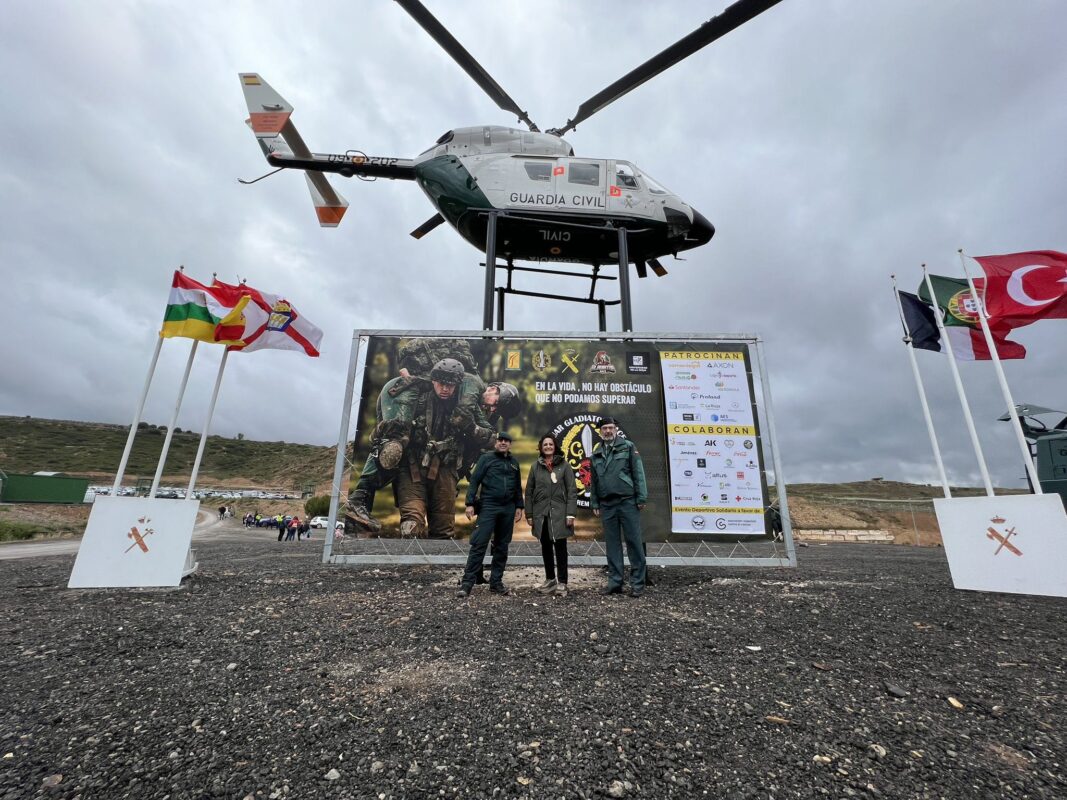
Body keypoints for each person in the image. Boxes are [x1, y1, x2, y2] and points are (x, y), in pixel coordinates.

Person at [458, 431, 524, 597]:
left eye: (506, 441)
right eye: (500, 440)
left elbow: (517, 487)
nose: (503, 443)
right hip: (488, 506)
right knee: (479, 544)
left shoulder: (514, 463)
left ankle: (496, 583)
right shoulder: (486, 459)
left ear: (510, 444)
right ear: (496, 442)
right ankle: (467, 584)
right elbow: (474, 481)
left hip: (508, 508)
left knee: (501, 546)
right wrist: (470, 503)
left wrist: (519, 506)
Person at [589, 417, 648, 598]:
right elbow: (595, 481)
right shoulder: (597, 453)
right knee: (612, 545)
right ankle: (615, 583)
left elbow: (638, 472)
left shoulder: (628, 446)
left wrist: (641, 497)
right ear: (600, 431)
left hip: (628, 502)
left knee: (634, 543)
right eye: (604, 428)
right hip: (607, 505)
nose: (608, 431)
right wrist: (595, 502)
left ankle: (638, 583)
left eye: (611, 428)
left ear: (616, 429)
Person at [525, 435, 577, 597]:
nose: (548, 446)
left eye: (551, 444)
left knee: (560, 547)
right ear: (541, 447)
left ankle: (562, 582)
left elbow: (572, 492)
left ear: (555, 447)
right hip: (542, 513)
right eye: (545, 444)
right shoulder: (535, 467)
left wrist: (570, 514)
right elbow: (529, 492)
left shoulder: (565, 466)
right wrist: (530, 513)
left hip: (560, 513)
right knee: (546, 546)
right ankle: (550, 579)